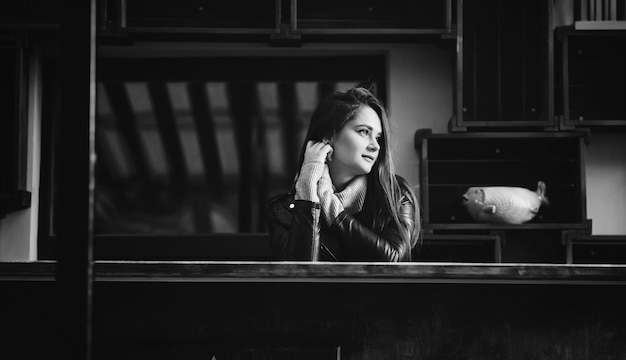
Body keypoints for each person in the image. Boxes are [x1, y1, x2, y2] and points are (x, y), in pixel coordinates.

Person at [267, 86, 420, 261]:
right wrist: (308, 188)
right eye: (364, 132)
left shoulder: (395, 195)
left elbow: (393, 261)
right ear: (328, 136)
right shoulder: (282, 212)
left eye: (377, 137)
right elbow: (301, 277)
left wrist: (333, 212)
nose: (375, 146)